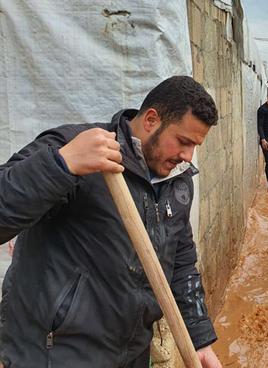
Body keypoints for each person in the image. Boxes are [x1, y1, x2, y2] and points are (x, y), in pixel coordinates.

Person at [0, 76, 222, 368]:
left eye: (195, 146)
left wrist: (200, 339)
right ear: (152, 120)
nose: (187, 156)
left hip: (130, 354)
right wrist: (61, 165)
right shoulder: (74, 149)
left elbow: (181, 263)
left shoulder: (177, 182)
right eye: (183, 141)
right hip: (55, 353)